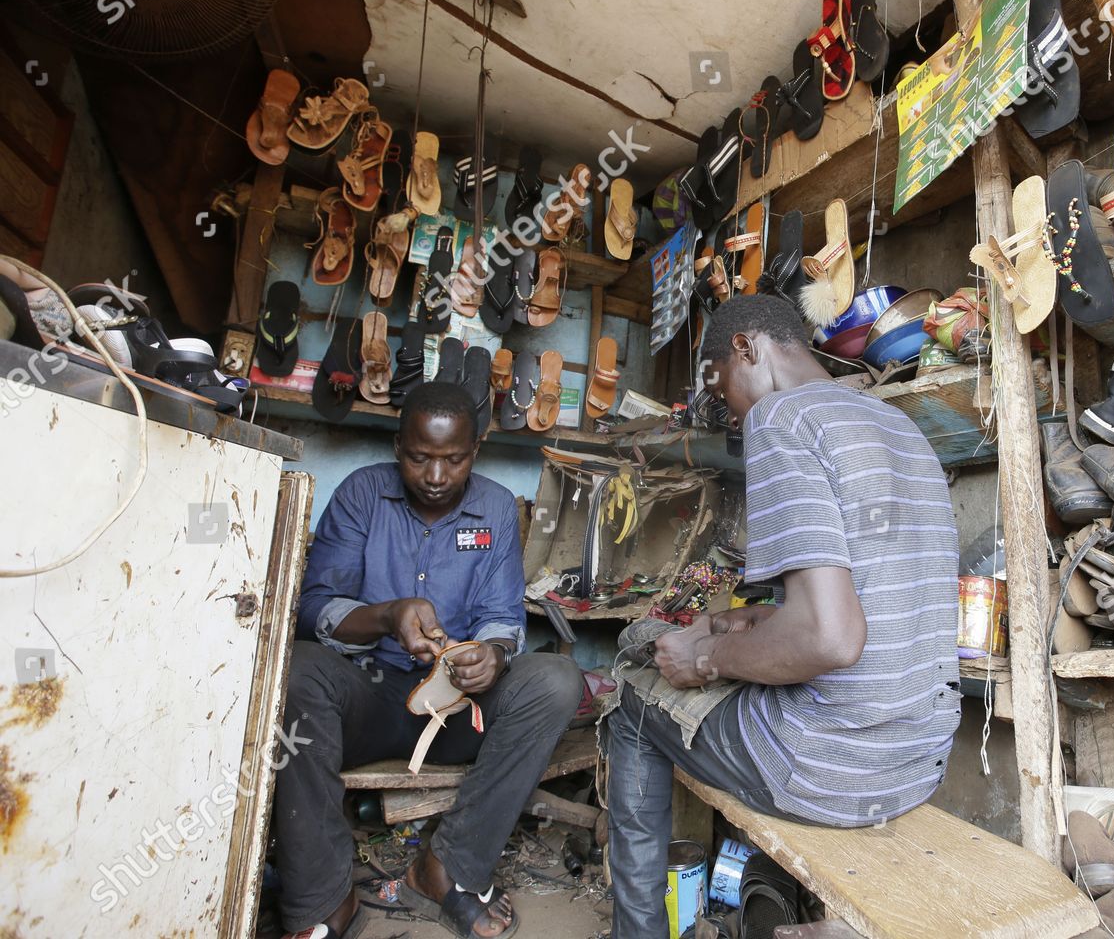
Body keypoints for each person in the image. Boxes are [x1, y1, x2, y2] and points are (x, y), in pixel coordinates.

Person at [606, 295, 962, 938]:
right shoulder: (896, 423)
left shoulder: (780, 417)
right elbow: (862, 600)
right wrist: (739, 624)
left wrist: (702, 657)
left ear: (746, 348)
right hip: (918, 760)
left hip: (834, 767)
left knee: (632, 703)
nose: (732, 412)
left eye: (722, 387)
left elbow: (828, 638)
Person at [274, 381, 581, 939]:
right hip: (367, 700)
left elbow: (503, 620)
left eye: (454, 459)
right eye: (420, 458)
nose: (436, 476)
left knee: (557, 679)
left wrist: (492, 654)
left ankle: (446, 869)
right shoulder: (362, 495)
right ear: (398, 447)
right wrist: (387, 615)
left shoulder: (493, 508)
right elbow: (314, 609)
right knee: (296, 670)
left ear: (476, 450)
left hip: (458, 708)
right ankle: (325, 898)